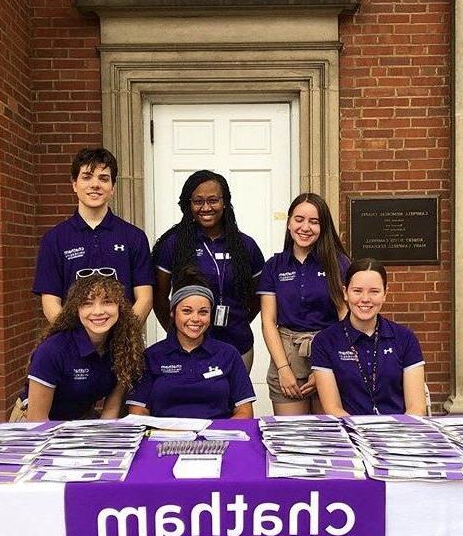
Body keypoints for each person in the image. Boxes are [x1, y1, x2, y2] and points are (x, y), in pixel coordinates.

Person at [151, 170, 265, 372]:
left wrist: (238, 319)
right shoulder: (173, 244)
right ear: (189, 204)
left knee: (234, 402)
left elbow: (258, 297)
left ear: (225, 202)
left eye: (213, 200)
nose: (206, 208)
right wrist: (177, 329)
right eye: (198, 201)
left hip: (237, 344)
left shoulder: (245, 245)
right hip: (188, 346)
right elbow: (159, 298)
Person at [32, 147, 154, 325]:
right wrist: (75, 340)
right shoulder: (54, 239)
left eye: (103, 178)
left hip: (122, 346)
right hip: (72, 346)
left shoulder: (134, 237)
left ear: (112, 187)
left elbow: (145, 298)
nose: (95, 184)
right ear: (74, 184)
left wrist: (124, 336)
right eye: (87, 177)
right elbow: (50, 302)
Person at [257, 193, 350, 415]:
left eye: (314, 221)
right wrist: (283, 369)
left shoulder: (339, 264)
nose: (305, 227)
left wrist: (325, 369)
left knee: (328, 437)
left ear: (323, 227)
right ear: (289, 222)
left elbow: (345, 319)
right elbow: (268, 321)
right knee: (292, 436)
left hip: (329, 352)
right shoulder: (274, 266)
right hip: (287, 355)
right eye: (299, 219)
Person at [127, 268, 256, 419]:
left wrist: (216, 435)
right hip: (165, 439)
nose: (196, 319)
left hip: (216, 440)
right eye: (187, 311)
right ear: (173, 313)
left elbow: (244, 412)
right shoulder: (151, 356)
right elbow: (138, 411)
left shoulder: (229, 354)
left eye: (203, 312)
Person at [21, 273, 144, 421]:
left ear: (120, 307)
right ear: (76, 310)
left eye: (107, 302)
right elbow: (37, 421)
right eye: (87, 303)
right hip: (33, 424)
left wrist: (103, 440)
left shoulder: (124, 347)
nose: (98, 311)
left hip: (79, 423)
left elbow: (111, 410)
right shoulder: (53, 350)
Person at [311, 258, 426, 416]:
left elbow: (417, 407)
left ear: (385, 293)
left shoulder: (405, 339)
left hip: (398, 432)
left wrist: (396, 436)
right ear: (345, 293)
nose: (365, 299)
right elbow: (333, 408)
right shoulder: (324, 342)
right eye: (357, 291)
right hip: (350, 433)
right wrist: (362, 436)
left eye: (374, 291)